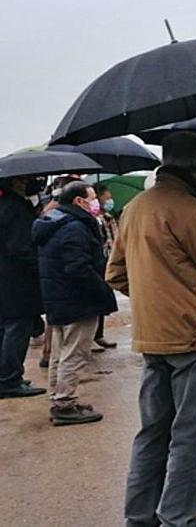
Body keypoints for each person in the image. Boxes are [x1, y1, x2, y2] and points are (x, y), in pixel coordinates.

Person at [108, 132, 196, 527]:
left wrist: (159, 295)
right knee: (190, 435)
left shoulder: (136, 207)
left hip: (152, 336)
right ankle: (178, 519)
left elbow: (116, 273)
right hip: (194, 336)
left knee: (152, 433)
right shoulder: (191, 211)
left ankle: (139, 517)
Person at [32, 181, 116, 425]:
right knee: (74, 353)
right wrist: (101, 291)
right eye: (92, 198)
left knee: (60, 352)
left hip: (59, 298)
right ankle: (64, 404)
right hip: (77, 300)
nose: (97, 203)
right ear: (79, 201)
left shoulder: (53, 223)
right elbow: (78, 268)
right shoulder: (74, 228)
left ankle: (58, 397)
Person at [0, 175, 47, 399]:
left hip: (6, 278)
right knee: (17, 328)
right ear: (15, 182)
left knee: (6, 328)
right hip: (17, 281)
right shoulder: (16, 209)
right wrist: (39, 269)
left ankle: (6, 377)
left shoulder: (6, 205)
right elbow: (21, 249)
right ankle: (10, 380)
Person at [92, 182, 118, 350]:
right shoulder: (93, 219)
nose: (109, 201)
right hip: (97, 262)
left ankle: (98, 335)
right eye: (106, 197)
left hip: (107, 259)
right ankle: (92, 336)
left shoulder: (108, 216)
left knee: (102, 299)